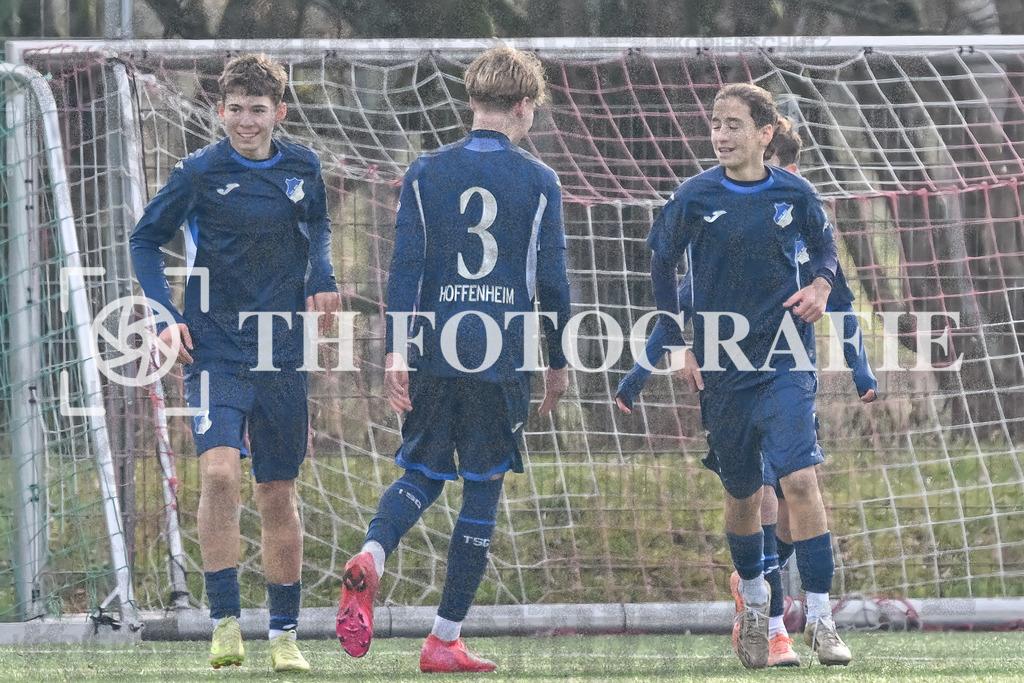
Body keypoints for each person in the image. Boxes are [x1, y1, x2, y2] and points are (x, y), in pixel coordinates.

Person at [334, 46, 571, 674]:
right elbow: (552, 282)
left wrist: (395, 353)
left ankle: (373, 555)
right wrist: (559, 358)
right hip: (501, 357)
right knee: (483, 486)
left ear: (472, 102)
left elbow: (405, 268)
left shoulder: (425, 172)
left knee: (422, 473)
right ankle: (443, 639)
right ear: (523, 107)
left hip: (434, 349)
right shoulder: (540, 180)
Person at [618, 116, 875, 667]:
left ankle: (777, 597)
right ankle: (772, 621)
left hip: (787, 373)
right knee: (754, 497)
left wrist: (862, 373)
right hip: (729, 373)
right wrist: (640, 374)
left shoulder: (800, 232)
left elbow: (844, 305)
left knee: (793, 497)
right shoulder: (716, 213)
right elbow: (677, 300)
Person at [130, 54, 340, 673]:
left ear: (279, 112)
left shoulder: (303, 166)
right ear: (219, 111)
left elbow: (319, 227)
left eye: (258, 110)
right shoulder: (198, 172)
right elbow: (144, 239)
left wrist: (322, 275)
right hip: (215, 347)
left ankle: (283, 636)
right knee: (220, 475)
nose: (246, 122)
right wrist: (165, 316)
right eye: (235, 110)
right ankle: (224, 622)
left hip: (282, 348)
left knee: (277, 491)